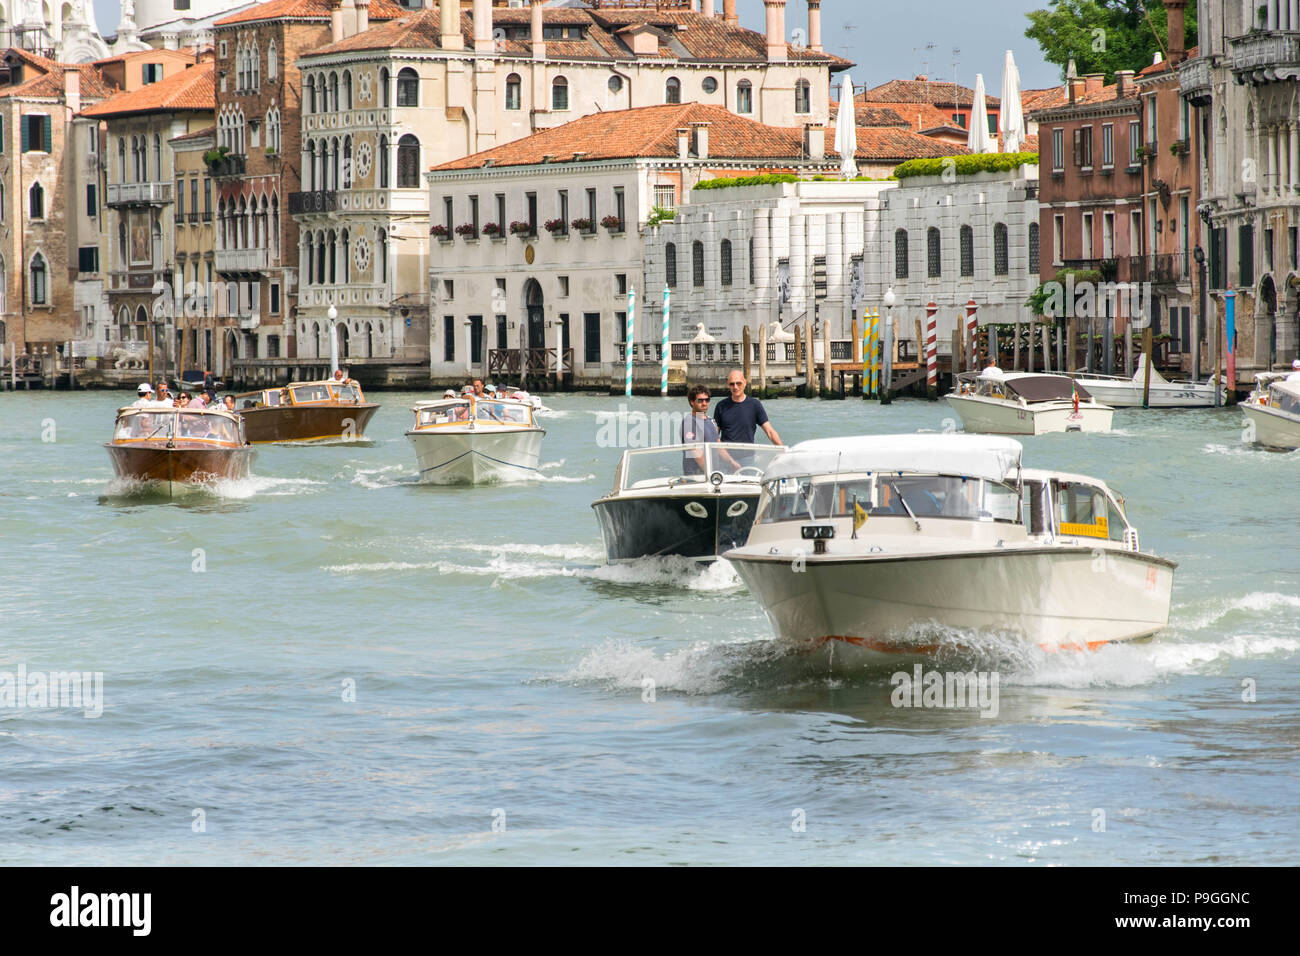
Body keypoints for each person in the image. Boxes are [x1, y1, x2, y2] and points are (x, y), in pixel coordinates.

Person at [681, 385, 740, 475]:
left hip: (713, 476)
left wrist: (731, 462)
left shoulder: (711, 421)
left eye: (707, 400)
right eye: (700, 400)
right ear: (692, 402)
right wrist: (711, 473)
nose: (704, 403)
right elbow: (695, 451)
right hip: (696, 477)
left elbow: (719, 446)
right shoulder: (689, 422)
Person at [714, 370, 781, 446]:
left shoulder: (755, 405)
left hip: (748, 456)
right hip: (725, 456)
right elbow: (714, 435)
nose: (735, 387)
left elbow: (770, 431)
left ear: (745, 383)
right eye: (732, 384)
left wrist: (783, 450)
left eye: (738, 383)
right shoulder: (721, 406)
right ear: (728, 385)